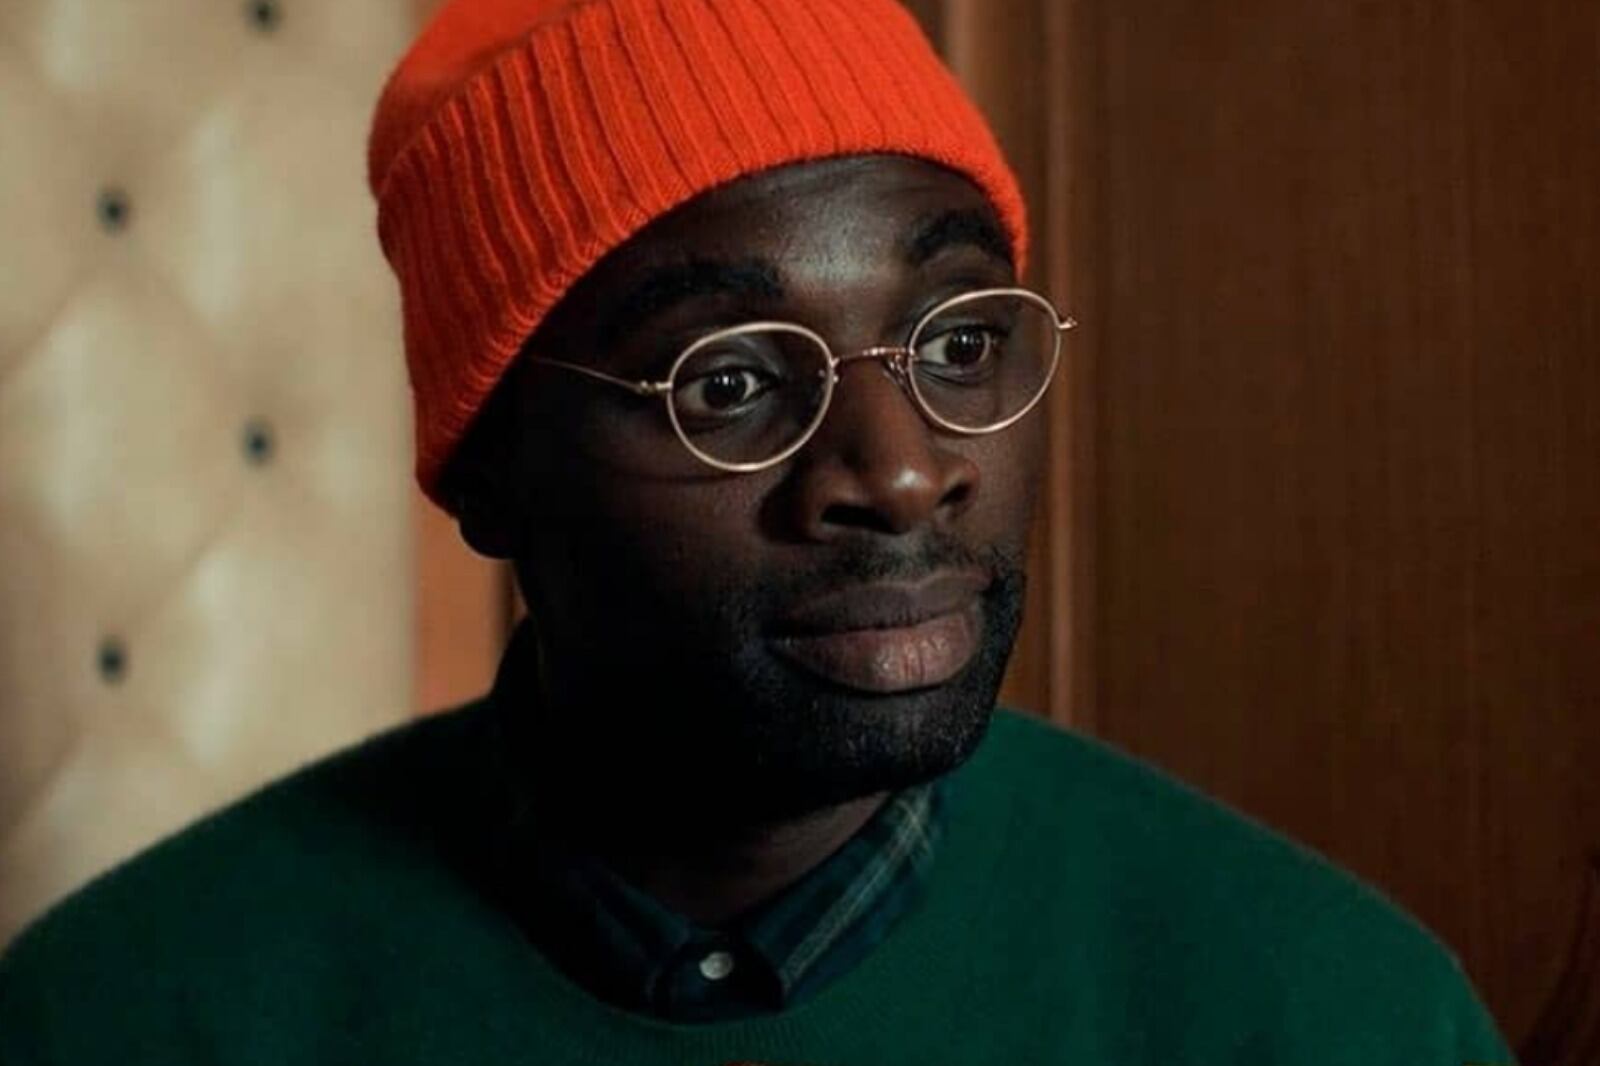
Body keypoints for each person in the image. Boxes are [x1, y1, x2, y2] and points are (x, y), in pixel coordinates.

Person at [0, 0, 1514, 1062]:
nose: (903, 475)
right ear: (489, 473)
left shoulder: (1335, 1013)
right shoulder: (126, 1016)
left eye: (959, 344)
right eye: (727, 382)